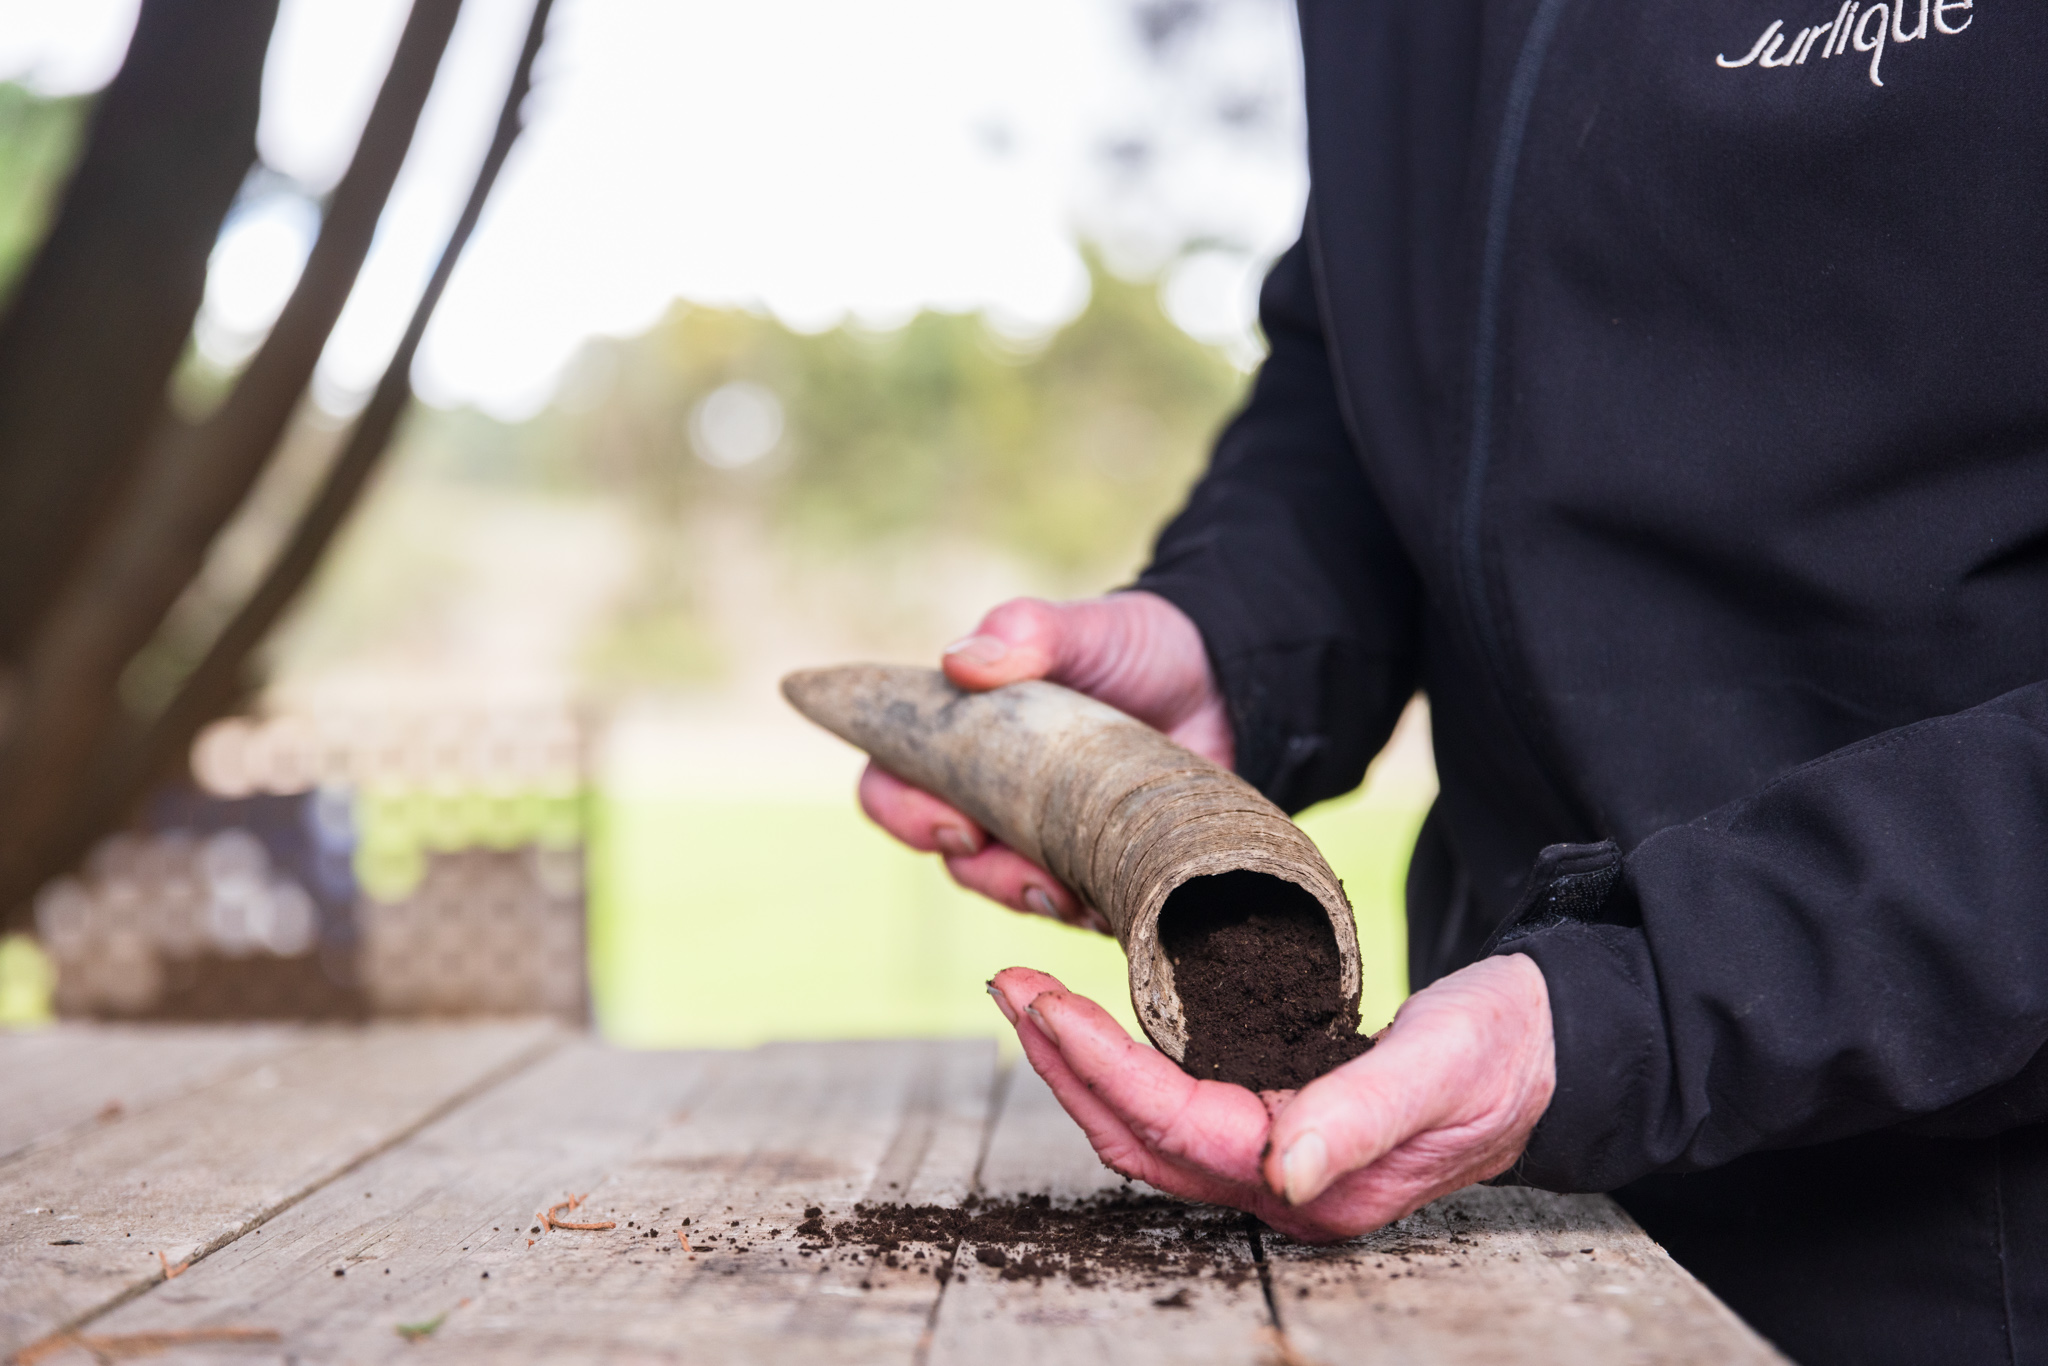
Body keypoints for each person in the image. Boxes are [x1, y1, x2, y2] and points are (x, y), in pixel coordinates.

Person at [862, 3, 2048, 1362]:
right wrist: (1234, 638)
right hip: (1484, 1200)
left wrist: (1642, 1003)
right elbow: (1375, 346)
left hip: (1961, 1233)